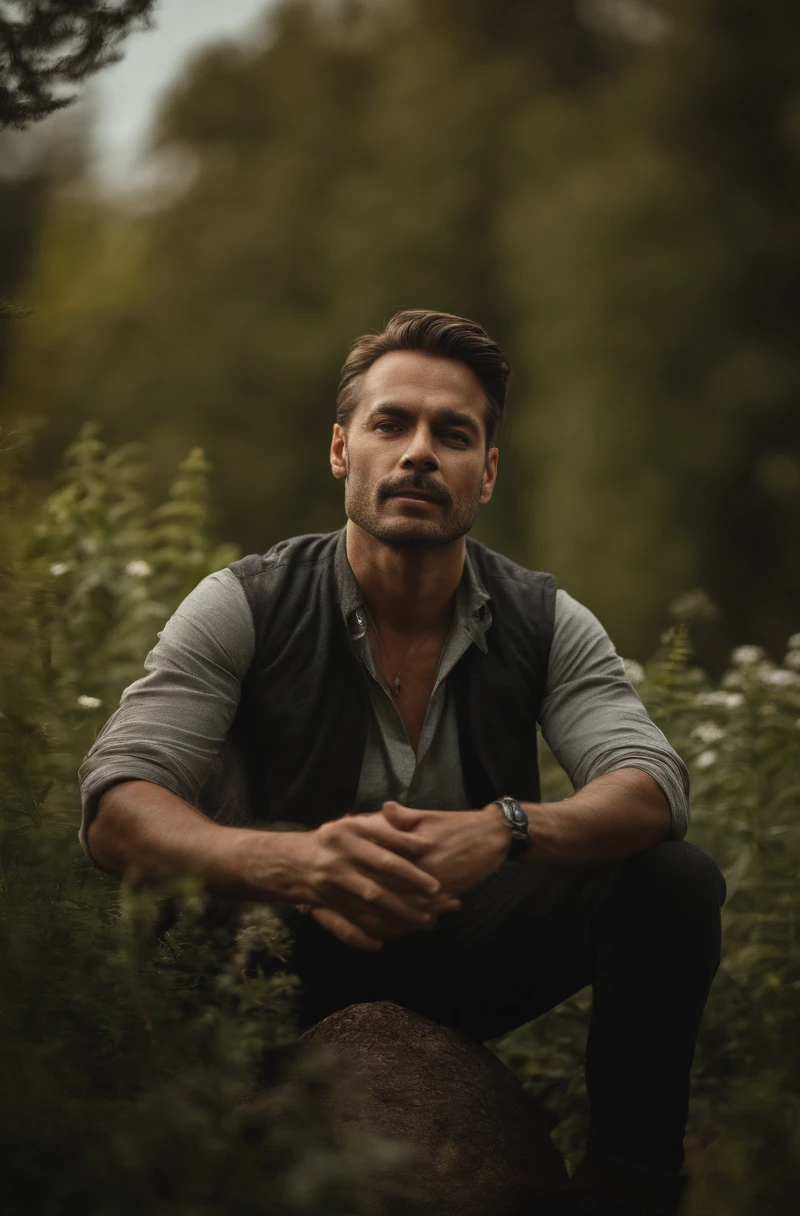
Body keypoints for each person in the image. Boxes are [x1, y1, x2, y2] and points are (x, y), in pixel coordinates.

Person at [79, 309, 725, 1216]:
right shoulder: (244, 604)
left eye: (452, 434)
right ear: (343, 450)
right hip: (267, 950)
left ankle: (627, 1187)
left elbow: (652, 786)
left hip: (462, 949)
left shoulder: (545, 620)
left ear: (487, 471)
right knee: (177, 890)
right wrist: (295, 862)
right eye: (392, 424)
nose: (419, 452)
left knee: (672, 880)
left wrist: (506, 832)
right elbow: (116, 807)